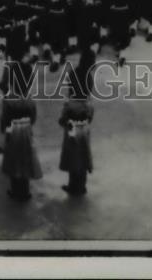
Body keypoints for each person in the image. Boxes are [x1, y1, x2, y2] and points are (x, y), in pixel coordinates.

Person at [1, 61, 42, 201]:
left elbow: (5, 118)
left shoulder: (9, 99)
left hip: (13, 132)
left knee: (13, 161)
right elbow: (34, 118)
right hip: (26, 131)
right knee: (25, 160)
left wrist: (5, 130)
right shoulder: (30, 100)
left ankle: (15, 190)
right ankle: (25, 191)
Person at [58, 56, 94, 197]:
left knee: (73, 159)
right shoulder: (88, 104)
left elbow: (62, 120)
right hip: (84, 131)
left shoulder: (69, 104)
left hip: (71, 130)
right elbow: (90, 118)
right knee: (83, 157)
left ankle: (73, 186)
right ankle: (82, 186)